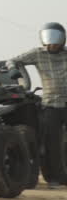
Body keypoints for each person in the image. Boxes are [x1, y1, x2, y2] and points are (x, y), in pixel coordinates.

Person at [12, 22, 67, 188]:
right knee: (52, 143)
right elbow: (13, 61)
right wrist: (16, 73)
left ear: (63, 40)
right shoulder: (37, 54)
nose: (53, 44)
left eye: (56, 40)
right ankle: (54, 179)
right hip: (51, 103)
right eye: (49, 39)